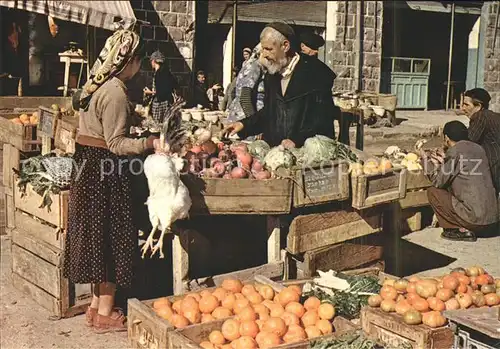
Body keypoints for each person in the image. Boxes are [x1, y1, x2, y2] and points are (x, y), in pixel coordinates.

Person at [64, 30, 161, 333]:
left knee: (96, 237)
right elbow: (116, 143)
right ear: (128, 61)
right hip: (104, 171)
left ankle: (95, 306)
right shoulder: (116, 91)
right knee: (109, 238)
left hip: (87, 167)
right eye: (139, 60)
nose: (140, 66)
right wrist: (148, 143)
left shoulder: (95, 85)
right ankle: (106, 312)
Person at [223, 22, 336, 147]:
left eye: (268, 49)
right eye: (263, 49)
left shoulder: (316, 73)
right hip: (279, 153)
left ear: (285, 46)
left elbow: (322, 117)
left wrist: (297, 139)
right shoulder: (272, 74)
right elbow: (269, 113)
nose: (264, 55)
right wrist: (244, 124)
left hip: (308, 154)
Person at [422, 121, 498, 242]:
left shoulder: (455, 151)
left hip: (474, 220)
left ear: (446, 138)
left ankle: (455, 229)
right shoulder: (479, 148)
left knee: (433, 191)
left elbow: (438, 182)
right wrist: (444, 160)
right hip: (492, 220)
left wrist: (424, 159)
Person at [462, 88, 500, 194]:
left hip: (493, 167)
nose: (463, 108)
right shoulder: (493, 116)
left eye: (466, 105)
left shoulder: (480, 117)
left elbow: (467, 143)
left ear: (478, 106)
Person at [227, 43, 266, 123]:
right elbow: (245, 97)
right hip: (244, 119)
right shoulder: (255, 67)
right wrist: (254, 122)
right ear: (260, 54)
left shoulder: (258, 67)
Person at [143, 50, 179, 123]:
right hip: (168, 102)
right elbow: (174, 85)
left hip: (160, 104)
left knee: (158, 126)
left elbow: (161, 92)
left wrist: (149, 92)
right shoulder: (167, 72)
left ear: (153, 61)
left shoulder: (158, 74)